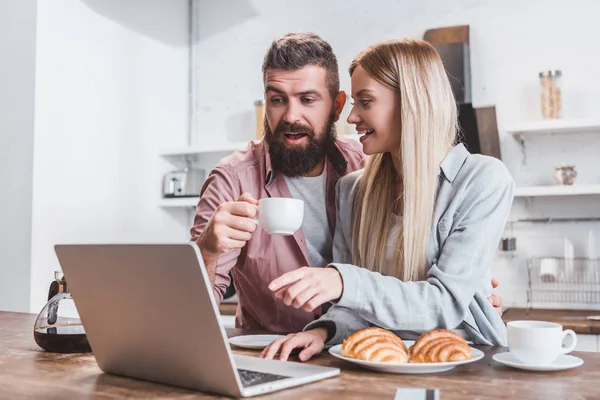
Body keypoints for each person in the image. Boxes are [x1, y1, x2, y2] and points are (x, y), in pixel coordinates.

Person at [191, 33, 503, 333]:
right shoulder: (234, 179)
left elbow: (421, 287)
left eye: (308, 99)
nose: (290, 115)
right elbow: (190, 308)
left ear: (337, 106)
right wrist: (207, 249)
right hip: (274, 353)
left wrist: (469, 300)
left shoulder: (367, 167)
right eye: (277, 99)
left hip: (360, 354)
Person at [261, 38, 513, 362]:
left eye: (365, 101)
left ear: (412, 102)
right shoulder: (352, 191)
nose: (351, 117)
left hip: (468, 363)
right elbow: (356, 308)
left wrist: (344, 281)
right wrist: (321, 332)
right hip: (383, 361)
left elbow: (444, 303)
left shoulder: (482, 180)